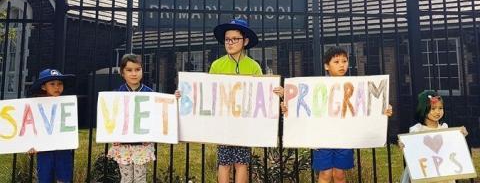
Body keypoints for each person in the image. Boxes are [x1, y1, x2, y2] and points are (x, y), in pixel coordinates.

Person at [175, 18, 282, 183]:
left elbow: (262, 93)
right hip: (223, 123)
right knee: (224, 163)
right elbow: (207, 92)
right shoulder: (217, 65)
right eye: (227, 39)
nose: (230, 43)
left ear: (245, 41)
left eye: (235, 39)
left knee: (241, 163)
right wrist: (185, 94)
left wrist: (276, 91)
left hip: (244, 123)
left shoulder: (253, 66)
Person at [281, 46, 393, 183]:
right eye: (336, 62)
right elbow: (303, 106)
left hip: (344, 138)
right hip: (323, 139)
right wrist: (288, 108)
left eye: (344, 61)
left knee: (339, 175)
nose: (342, 65)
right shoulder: (317, 86)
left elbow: (366, 105)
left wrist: (382, 110)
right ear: (326, 66)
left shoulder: (356, 86)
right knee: (325, 175)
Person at [399, 90, 468, 183]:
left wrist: (459, 136)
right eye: (433, 108)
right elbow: (412, 151)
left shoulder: (444, 128)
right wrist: (404, 145)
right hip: (426, 173)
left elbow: (451, 148)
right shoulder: (417, 130)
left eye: (440, 108)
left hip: (444, 174)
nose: (437, 112)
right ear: (424, 109)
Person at [107, 54, 155, 183]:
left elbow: (155, 116)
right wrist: (113, 136)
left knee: (140, 178)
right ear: (122, 73)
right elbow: (112, 118)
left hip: (142, 143)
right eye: (129, 70)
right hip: (122, 144)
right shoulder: (116, 95)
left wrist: (175, 98)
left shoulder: (150, 93)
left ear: (142, 71)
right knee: (126, 178)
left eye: (137, 69)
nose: (134, 73)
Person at [28, 69, 75, 183]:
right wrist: (30, 144)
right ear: (44, 87)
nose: (57, 87)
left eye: (60, 84)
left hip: (63, 149)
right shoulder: (36, 106)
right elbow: (31, 127)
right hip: (44, 150)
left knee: (64, 179)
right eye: (52, 84)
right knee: (45, 178)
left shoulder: (67, 105)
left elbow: (69, 127)